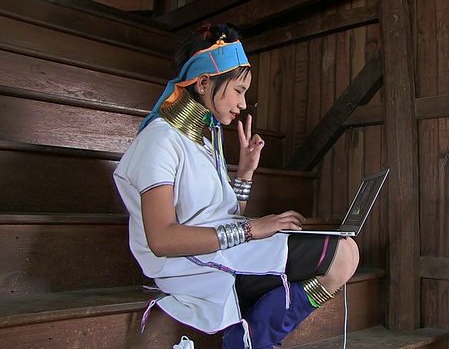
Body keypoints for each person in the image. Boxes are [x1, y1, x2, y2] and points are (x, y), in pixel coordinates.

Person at [113, 23, 359, 348]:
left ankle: (250, 339)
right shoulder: (160, 141)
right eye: (239, 90)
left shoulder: (203, 140)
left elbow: (225, 215)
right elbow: (162, 239)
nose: (243, 104)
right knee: (341, 255)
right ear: (203, 83)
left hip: (220, 251)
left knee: (346, 251)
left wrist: (244, 174)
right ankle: (250, 341)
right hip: (189, 264)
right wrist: (252, 230)